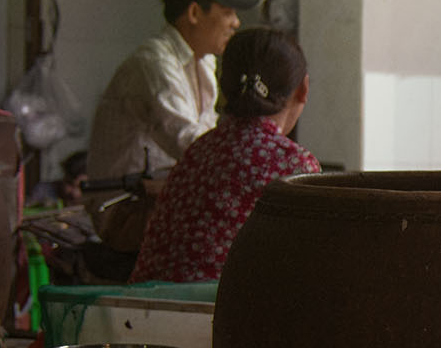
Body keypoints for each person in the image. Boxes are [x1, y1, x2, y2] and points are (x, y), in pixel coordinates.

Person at [86, 0, 259, 252]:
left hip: (162, 199)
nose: (236, 22)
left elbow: (207, 142)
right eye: (227, 11)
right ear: (194, 13)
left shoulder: (203, 62)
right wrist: (260, 158)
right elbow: (192, 145)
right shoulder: (154, 63)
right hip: (124, 210)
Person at [131, 29, 321, 283]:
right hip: (221, 305)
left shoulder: (197, 151)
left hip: (147, 302)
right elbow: (313, 261)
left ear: (223, 86)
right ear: (303, 89)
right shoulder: (294, 165)